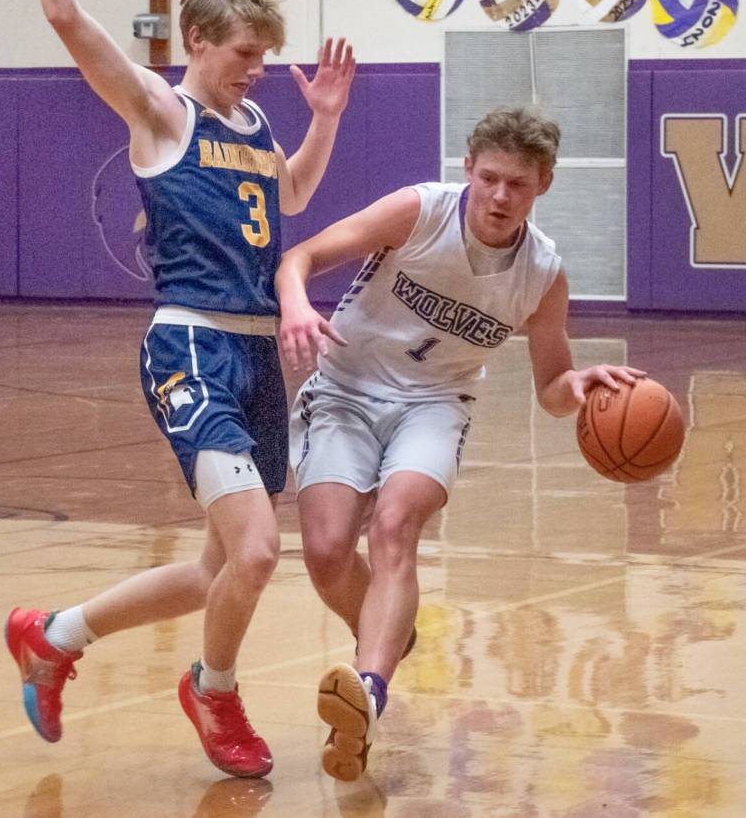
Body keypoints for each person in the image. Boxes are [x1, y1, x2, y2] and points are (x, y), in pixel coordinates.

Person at [6, 0, 355, 779]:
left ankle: (53, 633)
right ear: (198, 39)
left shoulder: (252, 121)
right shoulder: (163, 112)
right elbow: (66, 16)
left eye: (264, 52)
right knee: (257, 552)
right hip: (192, 345)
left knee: (216, 569)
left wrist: (322, 122)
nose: (255, 65)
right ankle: (213, 691)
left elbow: (290, 196)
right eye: (245, 50)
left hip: (256, 360)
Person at [275, 106, 645, 781]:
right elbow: (301, 256)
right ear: (469, 168)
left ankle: (370, 692)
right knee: (328, 552)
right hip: (346, 386)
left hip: (435, 404)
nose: (503, 196)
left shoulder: (542, 272)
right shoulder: (418, 211)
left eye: (520, 185)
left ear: (545, 185)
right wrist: (297, 304)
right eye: (493, 178)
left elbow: (552, 386)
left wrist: (583, 381)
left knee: (395, 526)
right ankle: (390, 626)